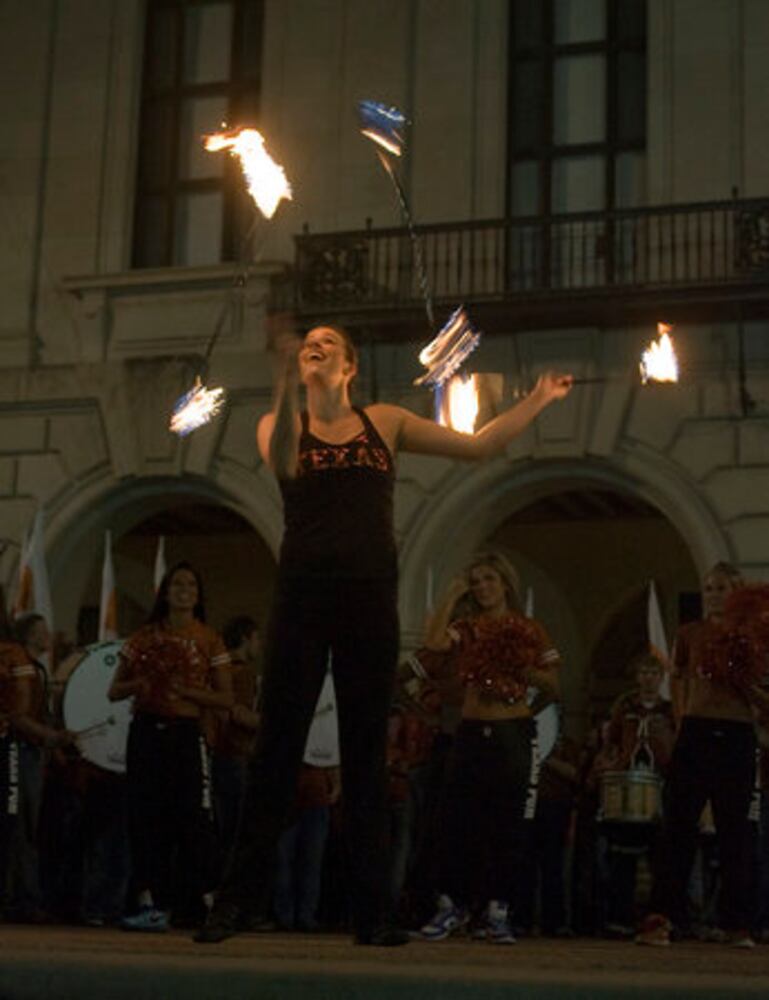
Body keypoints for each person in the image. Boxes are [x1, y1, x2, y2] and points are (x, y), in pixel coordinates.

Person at [195, 322, 571, 945]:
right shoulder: (278, 425)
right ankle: (234, 903)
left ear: (351, 367)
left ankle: (371, 915)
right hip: (302, 599)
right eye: (308, 342)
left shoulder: (386, 423)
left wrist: (537, 398)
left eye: (328, 343)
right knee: (277, 749)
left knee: (366, 752)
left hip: (368, 599)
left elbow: (476, 448)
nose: (316, 345)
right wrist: (288, 376)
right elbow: (285, 459)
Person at [417, 551, 562, 945]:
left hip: (512, 733)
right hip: (469, 731)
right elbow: (432, 642)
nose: (482, 587)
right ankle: (453, 907)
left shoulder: (529, 629)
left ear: (505, 584)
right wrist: (452, 592)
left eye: (489, 580)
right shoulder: (467, 627)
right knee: (456, 821)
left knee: (510, 825)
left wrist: (522, 687)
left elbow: (553, 684)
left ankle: (499, 911)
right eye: (476, 581)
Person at [637, 563, 764, 948]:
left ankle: (737, 923)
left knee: (735, 833)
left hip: (738, 734)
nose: (713, 594)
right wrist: (680, 718)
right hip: (695, 732)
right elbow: (676, 676)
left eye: (721, 587)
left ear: (737, 591)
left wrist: (744, 684)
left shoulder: (756, 637)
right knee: (677, 828)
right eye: (708, 588)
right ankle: (661, 919)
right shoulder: (690, 634)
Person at [108, 562, 232, 932]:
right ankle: (151, 904)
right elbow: (114, 690)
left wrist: (186, 691)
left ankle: (208, 903)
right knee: (146, 818)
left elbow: (225, 699)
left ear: (198, 594)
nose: (183, 589)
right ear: (164, 592)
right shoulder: (143, 638)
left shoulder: (209, 639)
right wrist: (140, 685)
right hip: (146, 733)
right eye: (177, 583)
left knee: (194, 818)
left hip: (186, 733)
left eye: (191, 584)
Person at [599, 653, 675, 937]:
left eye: (654, 673)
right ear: (637, 676)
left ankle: (658, 918)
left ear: (661, 677)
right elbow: (611, 742)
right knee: (623, 858)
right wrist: (608, 765)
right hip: (630, 784)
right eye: (643, 672)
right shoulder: (626, 706)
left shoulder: (669, 710)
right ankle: (619, 918)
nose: (648, 678)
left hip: (659, 783)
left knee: (661, 858)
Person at [6, 613, 74, 922]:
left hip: (34, 754)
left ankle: (25, 897)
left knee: (29, 828)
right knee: (21, 827)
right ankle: (23, 900)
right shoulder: (21, 664)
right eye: (42, 630)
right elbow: (19, 716)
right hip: (20, 751)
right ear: (29, 635)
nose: (49, 635)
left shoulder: (38, 669)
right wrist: (54, 738)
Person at [211, 615, 262, 865]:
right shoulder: (243, 673)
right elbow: (238, 712)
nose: (259, 645)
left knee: (221, 829)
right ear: (245, 639)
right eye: (257, 638)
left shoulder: (219, 669)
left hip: (217, 755)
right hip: (235, 756)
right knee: (235, 833)